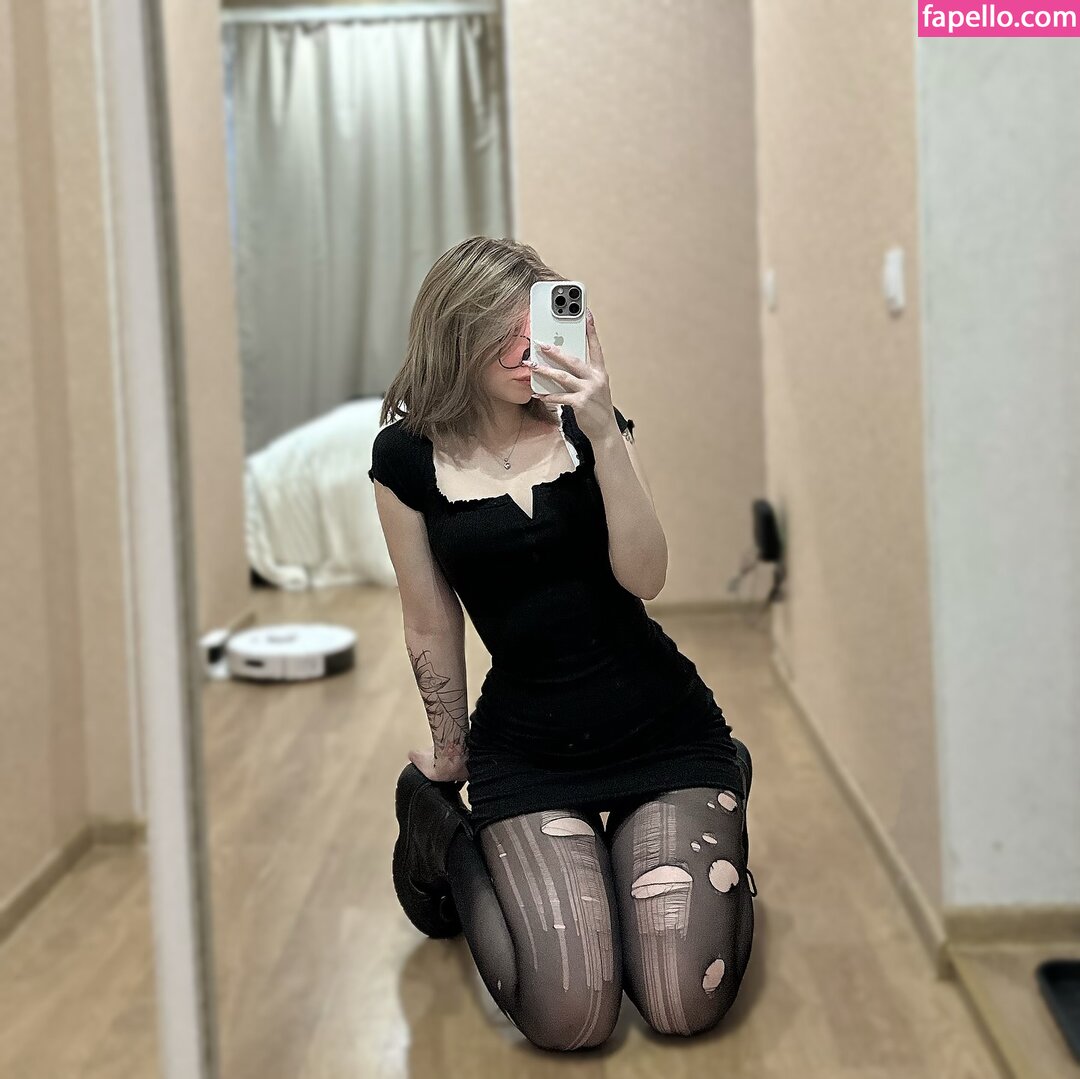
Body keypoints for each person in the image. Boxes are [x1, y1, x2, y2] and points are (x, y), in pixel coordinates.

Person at [368, 236, 757, 1052]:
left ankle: (715, 798)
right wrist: (450, 750)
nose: (527, 349)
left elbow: (647, 576)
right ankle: (447, 836)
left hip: (662, 730)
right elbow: (429, 617)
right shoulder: (405, 460)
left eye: (538, 325)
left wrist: (605, 432)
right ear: (456, 333)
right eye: (502, 332)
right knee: (571, 1015)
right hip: (529, 748)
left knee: (681, 1001)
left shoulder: (590, 424)